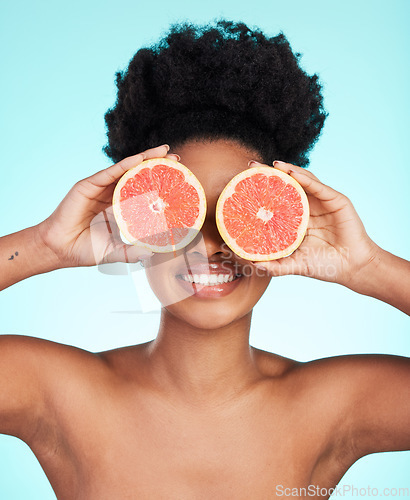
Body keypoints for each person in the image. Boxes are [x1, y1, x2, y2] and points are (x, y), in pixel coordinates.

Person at [1, 19, 409, 499]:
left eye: (238, 217)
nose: (211, 245)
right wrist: (47, 245)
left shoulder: (335, 405)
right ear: (134, 222)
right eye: (183, 215)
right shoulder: (57, 393)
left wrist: (367, 267)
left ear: (282, 224)